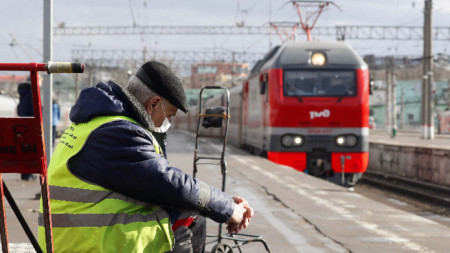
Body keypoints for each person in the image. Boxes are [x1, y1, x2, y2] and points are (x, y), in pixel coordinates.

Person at [38, 61, 253, 252]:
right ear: (153, 104)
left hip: (71, 235)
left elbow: (158, 185)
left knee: (186, 205)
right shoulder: (119, 132)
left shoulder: (98, 122)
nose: (167, 123)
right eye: (168, 115)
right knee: (191, 219)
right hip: (85, 241)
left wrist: (222, 203)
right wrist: (227, 208)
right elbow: (168, 182)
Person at [17, 79, 36, 181]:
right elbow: (34, 108)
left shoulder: (21, 94)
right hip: (31, 124)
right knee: (30, 150)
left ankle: (24, 174)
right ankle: (29, 174)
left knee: (23, 150)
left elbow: (19, 110)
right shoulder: (31, 93)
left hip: (22, 123)